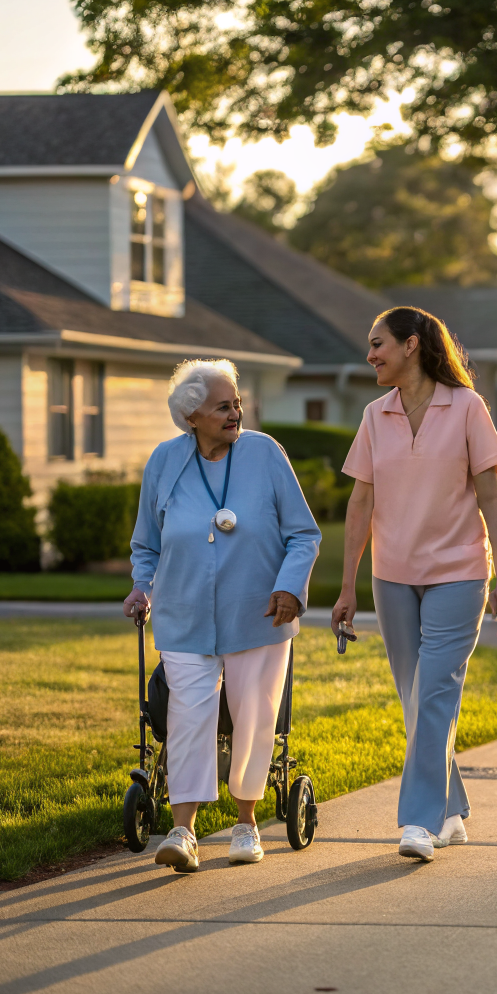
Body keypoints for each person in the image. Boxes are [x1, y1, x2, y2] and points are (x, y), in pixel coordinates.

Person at [331, 306, 497, 862]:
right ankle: (451, 811)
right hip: (392, 575)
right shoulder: (374, 415)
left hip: (458, 571)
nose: (370, 356)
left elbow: (491, 498)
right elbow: (360, 501)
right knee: (417, 702)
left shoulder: (465, 407)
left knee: (435, 692)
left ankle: (417, 821)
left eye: (378, 344)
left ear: (412, 345)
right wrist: (347, 589)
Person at [125, 359, 321, 873]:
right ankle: (184, 831)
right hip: (183, 614)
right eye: (223, 405)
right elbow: (146, 542)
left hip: (259, 614)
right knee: (188, 719)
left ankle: (246, 823)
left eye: (237, 402)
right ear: (192, 415)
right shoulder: (165, 462)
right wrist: (140, 588)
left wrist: (289, 588)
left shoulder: (265, 454)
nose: (236, 412)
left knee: (255, 718)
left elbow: (304, 534)